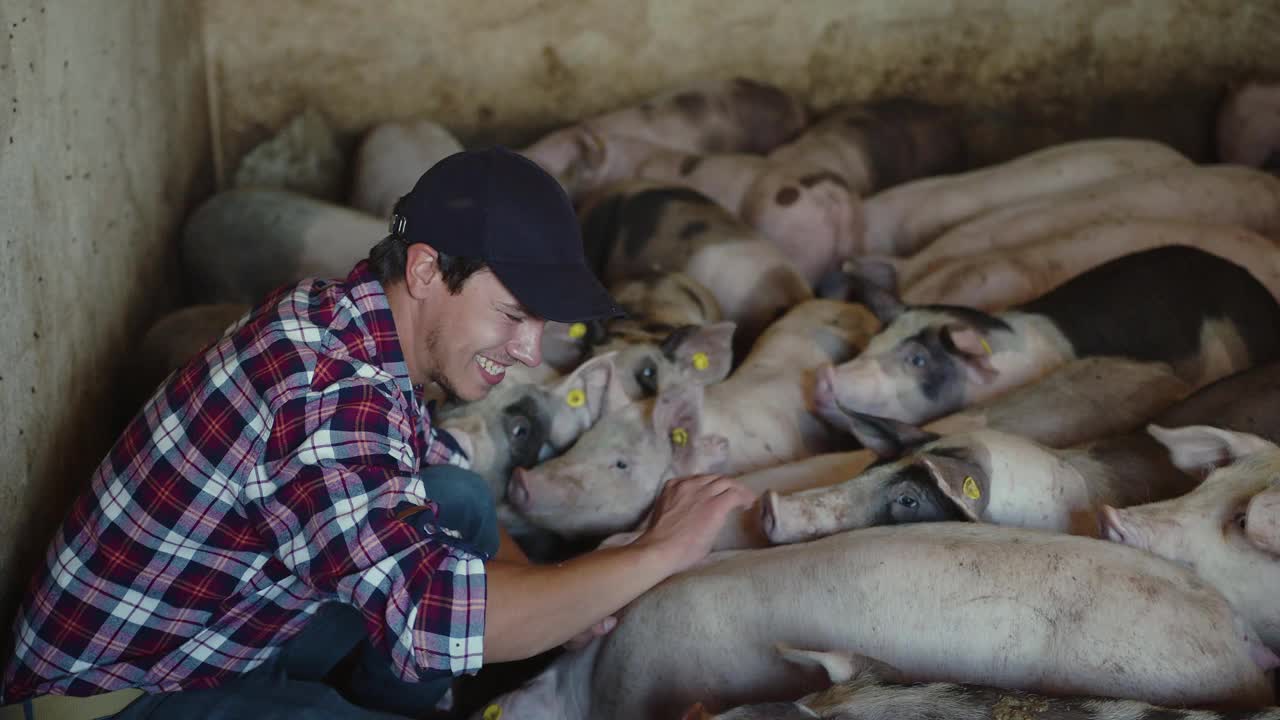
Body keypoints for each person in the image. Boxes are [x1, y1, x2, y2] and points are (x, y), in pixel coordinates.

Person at [2, 147, 755, 719]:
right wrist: (658, 553)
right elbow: (430, 614)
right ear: (427, 271)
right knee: (444, 597)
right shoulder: (327, 394)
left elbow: (442, 474)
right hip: (121, 693)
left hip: (227, 623)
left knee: (456, 498)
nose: (530, 352)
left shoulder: (347, 319)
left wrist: (563, 603)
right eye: (514, 316)